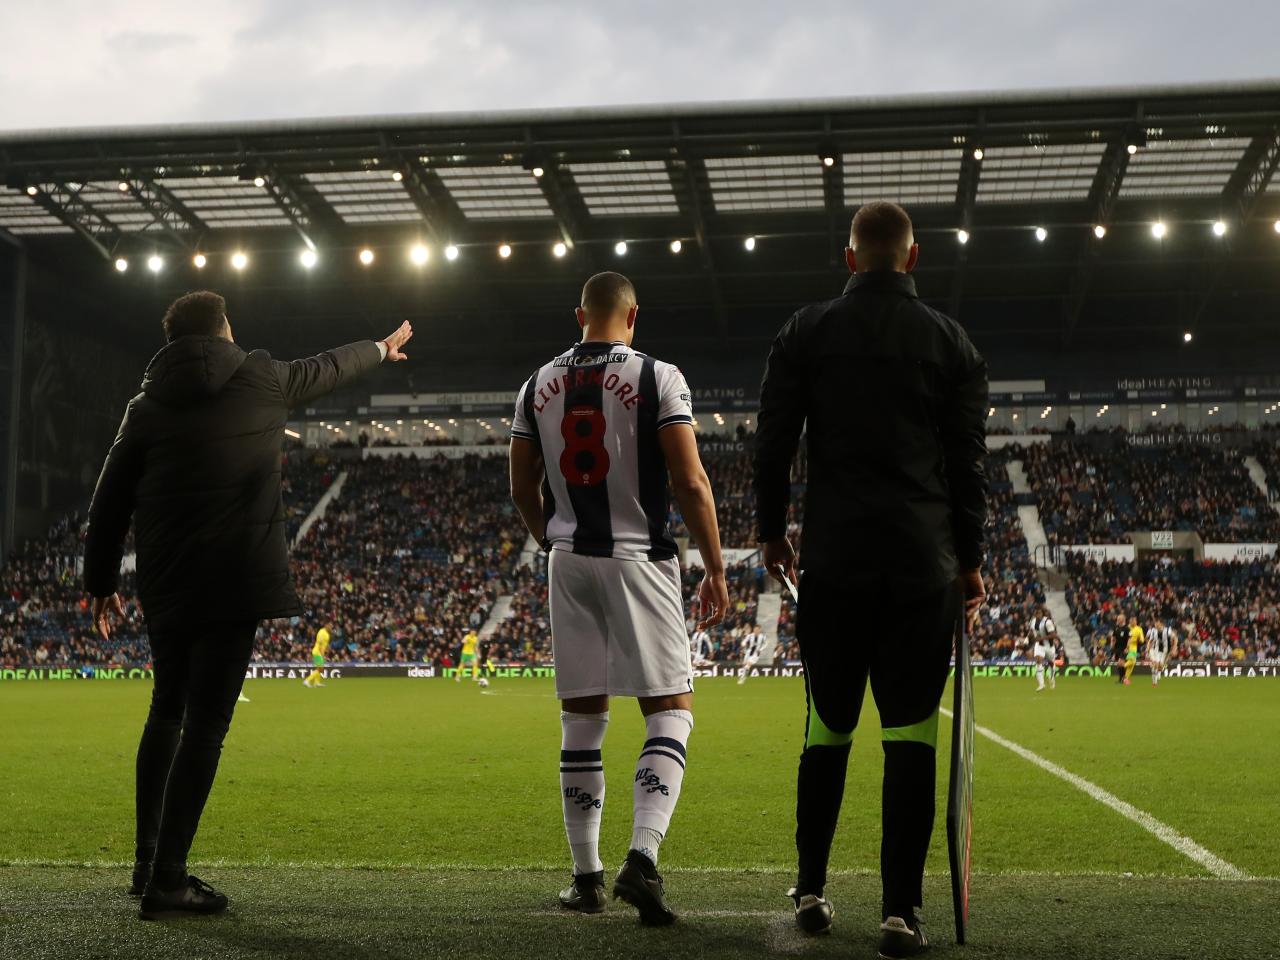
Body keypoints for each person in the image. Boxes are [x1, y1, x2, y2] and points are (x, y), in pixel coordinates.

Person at [83, 290, 412, 919]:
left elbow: (109, 497)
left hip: (168, 582)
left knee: (166, 710)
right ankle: (168, 880)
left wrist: (101, 582)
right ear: (225, 330)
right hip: (235, 581)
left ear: (172, 341)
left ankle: (147, 863)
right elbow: (327, 367)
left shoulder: (146, 405)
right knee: (206, 725)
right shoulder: (261, 377)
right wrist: (380, 348)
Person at [753, 201, 988, 957]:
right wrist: (973, 559)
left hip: (835, 561)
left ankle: (812, 887)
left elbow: (774, 439)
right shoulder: (953, 342)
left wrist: (769, 529)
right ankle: (900, 911)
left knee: (827, 728)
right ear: (912, 259)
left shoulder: (805, 330)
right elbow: (967, 466)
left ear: (850, 258)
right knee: (912, 739)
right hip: (923, 567)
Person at [508, 271, 729, 925]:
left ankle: (586, 878)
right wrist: (715, 565)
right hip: (638, 557)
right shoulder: (658, 376)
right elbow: (689, 481)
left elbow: (523, 489)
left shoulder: (534, 385)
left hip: (567, 558)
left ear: (581, 314)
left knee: (582, 717)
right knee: (671, 708)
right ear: (633, 318)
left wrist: (550, 541)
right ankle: (643, 856)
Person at [1031, 607, 1058, 692]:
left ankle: (1051, 677)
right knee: (1038, 660)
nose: (1037, 615)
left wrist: (1041, 638)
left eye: (1039, 613)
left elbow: (1053, 635)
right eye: (1036, 613)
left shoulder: (1048, 622)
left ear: (1042, 613)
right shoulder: (1033, 622)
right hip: (1039, 646)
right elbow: (1032, 631)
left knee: (1051, 663)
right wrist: (1027, 639)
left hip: (1049, 647)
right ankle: (1041, 685)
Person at [304, 621, 332, 688]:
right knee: (320, 669)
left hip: (320, 652)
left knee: (319, 668)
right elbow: (320, 645)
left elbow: (325, 644)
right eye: (330, 626)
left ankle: (317, 683)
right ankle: (307, 680)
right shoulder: (321, 632)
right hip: (317, 652)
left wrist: (328, 648)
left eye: (331, 627)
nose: (331, 628)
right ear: (326, 625)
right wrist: (322, 656)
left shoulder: (327, 634)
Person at [1147, 619, 1175, 685]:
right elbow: (1150, 640)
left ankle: (1158, 671)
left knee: (1160, 666)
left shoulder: (1167, 630)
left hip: (1164, 650)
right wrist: (1148, 647)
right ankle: (1154, 682)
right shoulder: (1153, 631)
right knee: (1155, 664)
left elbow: (1175, 638)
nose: (1156, 624)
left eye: (1157, 623)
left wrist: (1174, 648)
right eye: (1155, 623)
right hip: (1155, 649)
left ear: (1161, 623)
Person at [1125, 615, 1145, 686]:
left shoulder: (1139, 629)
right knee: (1132, 661)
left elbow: (1142, 640)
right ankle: (1122, 668)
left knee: (1132, 662)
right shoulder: (1127, 628)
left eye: (1134, 620)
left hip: (1133, 646)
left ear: (1136, 621)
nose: (1132, 621)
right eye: (1131, 620)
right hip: (1125, 645)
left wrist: (1140, 639)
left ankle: (1126, 678)